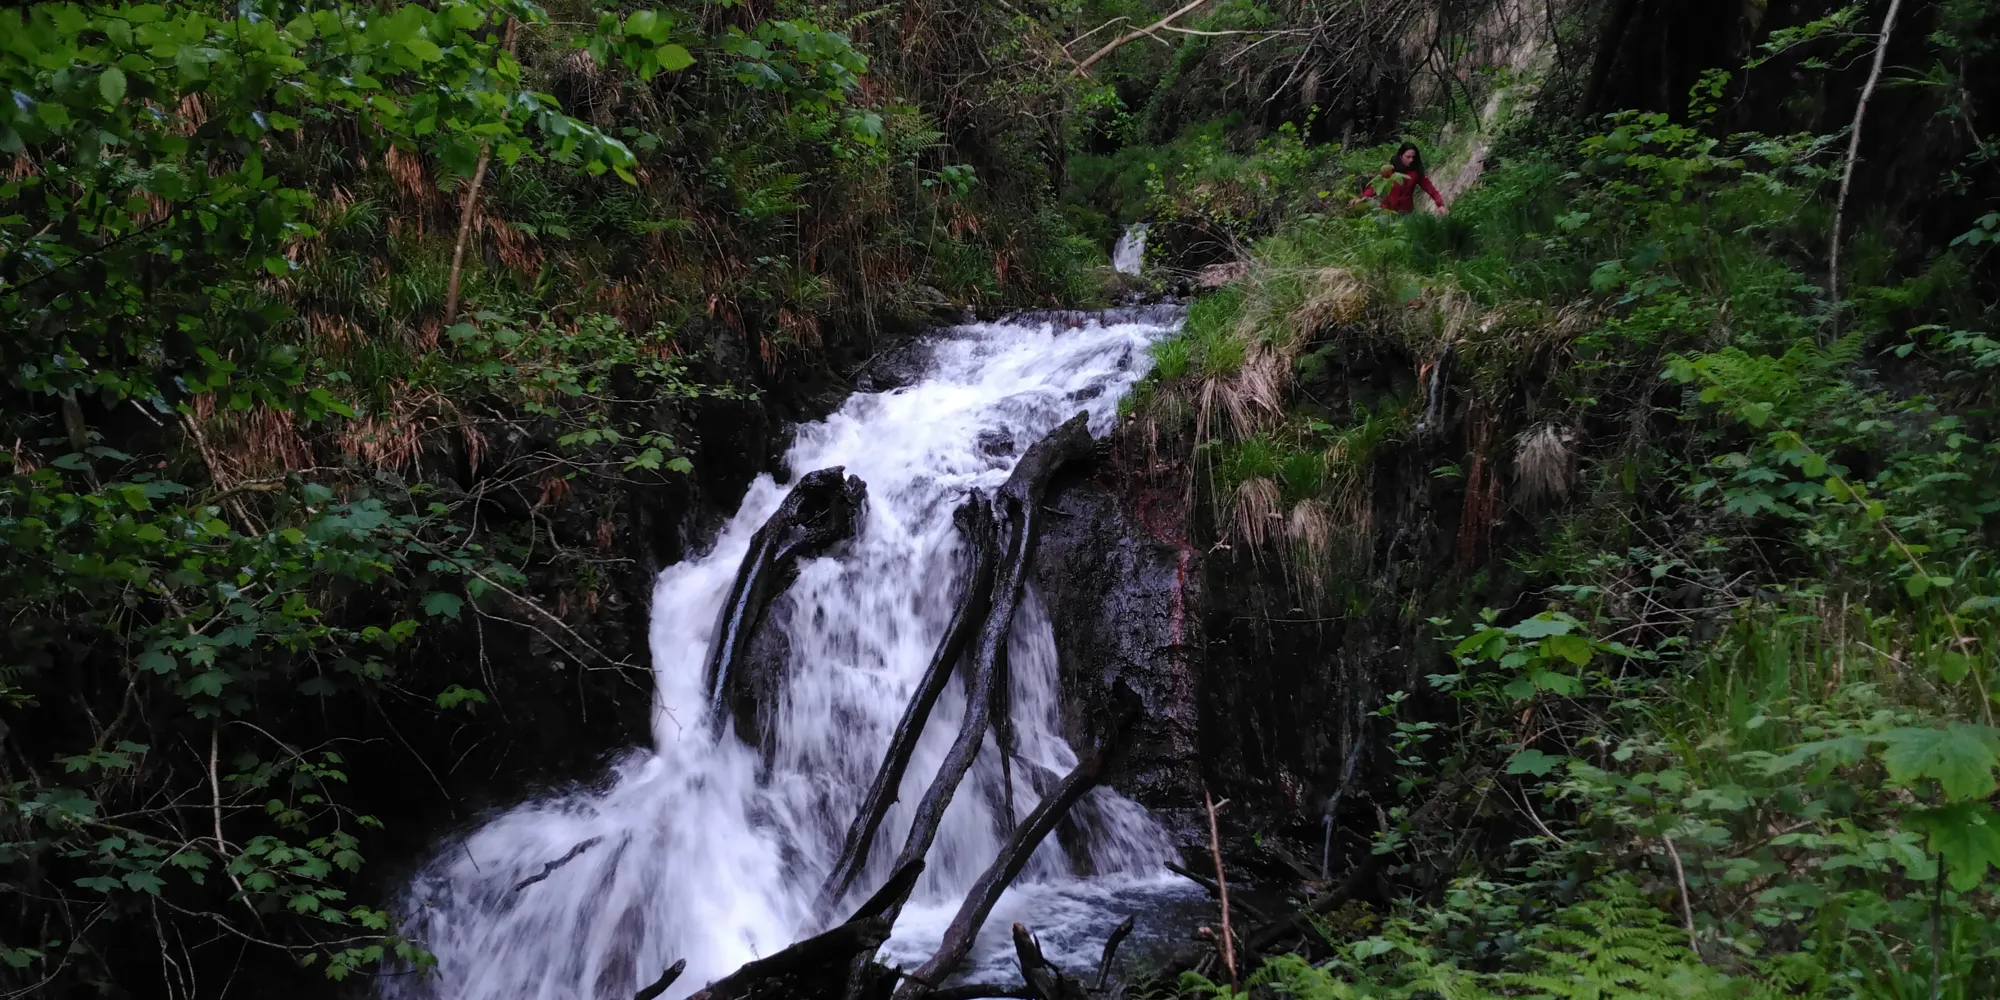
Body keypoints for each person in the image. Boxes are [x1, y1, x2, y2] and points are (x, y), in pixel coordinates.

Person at [1352, 142, 1447, 215]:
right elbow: (1375, 187)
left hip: (1406, 213)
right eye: (1408, 157)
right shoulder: (1390, 170)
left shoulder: (1416, 173)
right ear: (1401, 156)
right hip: (1387, 212)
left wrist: (1440, 205)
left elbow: (1430, 189)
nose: (1411, 160)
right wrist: (1362, 198)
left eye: (1413, 157)